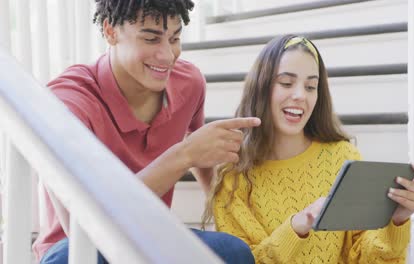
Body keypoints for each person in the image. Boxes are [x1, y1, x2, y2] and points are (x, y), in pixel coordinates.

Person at [33, 1, 258, 263]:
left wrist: (225, 215)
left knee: (234, 252)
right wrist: (183, 155)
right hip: (80, 245)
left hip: (148, 235)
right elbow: (87, 224)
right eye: (151, 39)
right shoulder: (69, 101)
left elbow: (203, 160)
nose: (167, 55)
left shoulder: (189, 83)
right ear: (110, 32)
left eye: (174, 38)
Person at [202, 35, 414, 263]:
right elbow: (242, 259)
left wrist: (396, 222)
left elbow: (365, 257)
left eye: (310, 86)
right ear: (262, 87)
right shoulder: (233, 176)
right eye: (286, 83)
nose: (300, 95)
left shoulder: (342, 157)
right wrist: (295, 228)